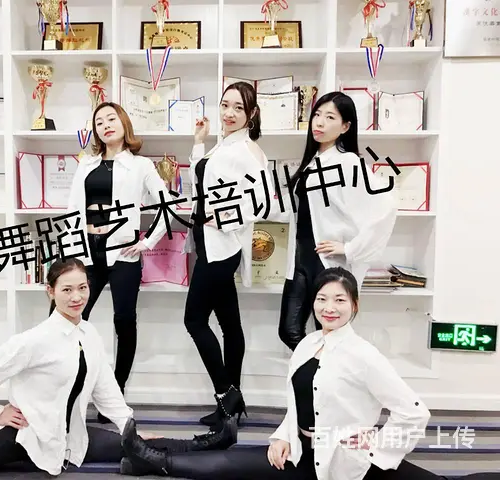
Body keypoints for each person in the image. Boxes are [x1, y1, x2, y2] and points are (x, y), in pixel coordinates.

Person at [0, 258, 237, 478]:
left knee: (137, 443)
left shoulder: (89, 334)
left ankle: (208, 442)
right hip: (22, 435)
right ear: (51, 292)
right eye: (67, 289)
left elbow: (106, 389)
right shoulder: (37, 339)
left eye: (82, 288)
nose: (77, 296)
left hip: (69, 436)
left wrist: (128, 426)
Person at [119, 267, 500, 480]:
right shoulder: (307, 344)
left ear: (355, 305)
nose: (329, 308)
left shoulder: (363, 355)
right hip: (302, 455)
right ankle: (152, 459)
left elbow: (415, 413)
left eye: (339, 300)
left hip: (347, 465)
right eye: (322, 299)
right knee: (233, 465)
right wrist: (283, 437)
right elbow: (297, 405)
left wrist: (376, 446)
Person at [67, 101, 174, 423]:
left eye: (111, 118)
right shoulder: (86, 164)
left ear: (124, 123)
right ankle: (70, 388)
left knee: (124, 321)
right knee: (68, 319)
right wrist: (72, 249)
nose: (105, 125)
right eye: (99, 122)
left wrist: (146, 242)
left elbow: (167, 206)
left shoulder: (140, 165)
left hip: (123, 253)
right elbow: (72, 209)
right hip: (88, 252)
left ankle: (115, 393)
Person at [184, 81, 280, 430]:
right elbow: (201, 182)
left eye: (238, 107)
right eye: (225, 105)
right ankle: (230, 408)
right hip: (209, 243)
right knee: (229, 325)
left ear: (251, 113)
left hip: (221, 248)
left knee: (194, 320)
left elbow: (264, 202)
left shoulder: (248, 150)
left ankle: (228, 395)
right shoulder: (225, 145)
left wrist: (224, 218)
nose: (229, 112)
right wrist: (199, 142)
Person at [278, 91, 397, 352]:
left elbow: (386, 205)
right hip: (301, 258)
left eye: (330, 117)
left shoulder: (348, 162)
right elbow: (295, 209)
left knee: (329, 333)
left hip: (326, 262)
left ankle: (326, 374)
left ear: (345, 127)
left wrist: (350, 248)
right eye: (317, 115)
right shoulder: (313, 163)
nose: (319, 122)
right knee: (289, 331)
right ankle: (318, 372)